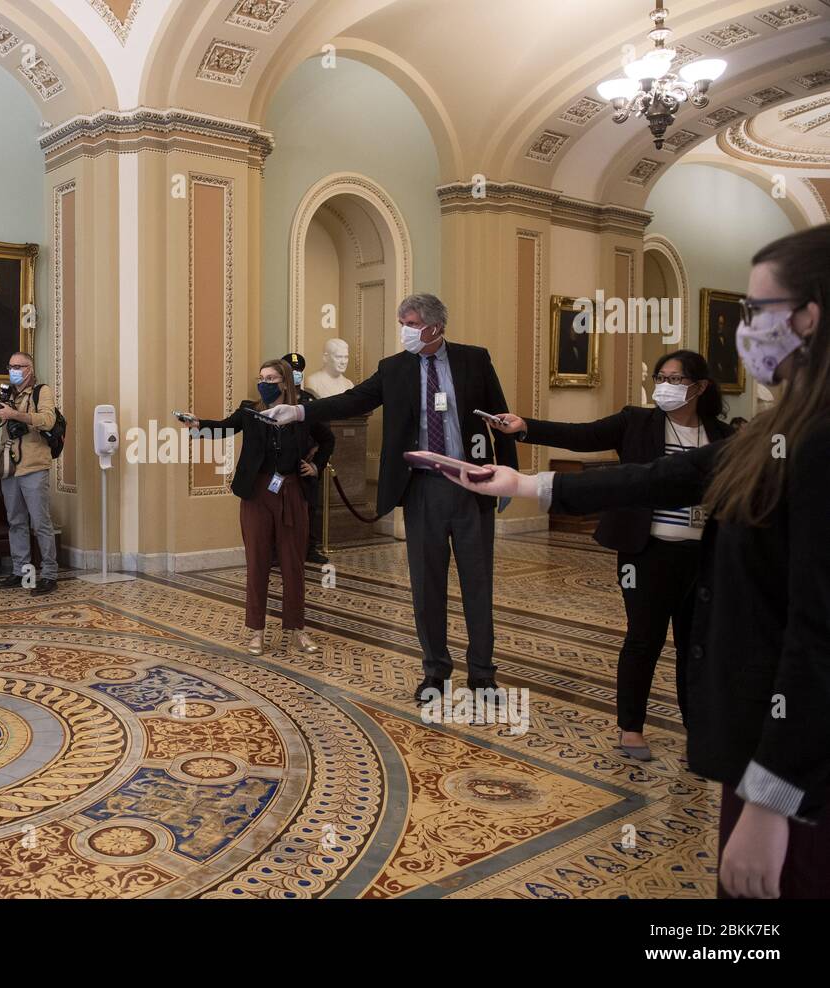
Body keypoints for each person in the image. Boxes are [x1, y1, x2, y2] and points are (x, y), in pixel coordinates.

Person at [442, 225, 830, 898]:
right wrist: (527, 484)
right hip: (770, 759)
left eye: (754, 311)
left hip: (801, 777)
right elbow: (659, 478)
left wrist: (771, 802)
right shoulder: (783, 429)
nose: (743, 329)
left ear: (807, 317)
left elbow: (819, 641)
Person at [264, 293, 518, 701]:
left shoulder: (474, 360)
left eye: (411, 322)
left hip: (472, 485)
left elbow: (500, 417)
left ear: (435, 327)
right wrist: (300, 412)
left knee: (478, 583)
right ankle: (435, 670)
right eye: (402, 321)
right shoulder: (394, 368)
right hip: (421, 488)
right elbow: (353, 399)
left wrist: (508, 472)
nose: (405, 329)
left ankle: (483, 674)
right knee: (426, 585)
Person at [490, 349, 732, 761]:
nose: (665, 387)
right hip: (646, 552)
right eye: (661, 378)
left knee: (697, 645)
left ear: (700, 387)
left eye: (675, 380)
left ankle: (699, 731)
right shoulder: (636, 422)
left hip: (703, 556)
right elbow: (582, 435)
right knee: (644, 638)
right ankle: (632, 729)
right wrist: (525, 426)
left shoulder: (722, 435)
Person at [181, 360, 322, 656]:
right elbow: (223, 428)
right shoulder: (250, 411)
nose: (264, 382)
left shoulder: (302, 412)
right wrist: (198, 425)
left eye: (270, 378)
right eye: (260, 377)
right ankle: (256, 631)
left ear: (284, 382)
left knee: (293, 565)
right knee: (257, 563)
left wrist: (315, 466)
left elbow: (328, 440)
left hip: (291, 491)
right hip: (256, 493)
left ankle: (297, 629)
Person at [0, 351, 58, 595]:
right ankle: (22, 572)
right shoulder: (4, 394)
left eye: (19, 366)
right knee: (15, 521)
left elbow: (48, 420)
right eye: (10, 366)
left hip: (34, 465)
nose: (14, 370)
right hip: (9, 467)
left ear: (29, 369)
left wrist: (14, 414)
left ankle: (49, 575)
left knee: (40, 522)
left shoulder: (40, 391)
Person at [283, 351, 334, 564]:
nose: (296, 375)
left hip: (304, 466)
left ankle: (308, 548)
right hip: (281, 470)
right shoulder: (272, 402)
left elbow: (327, 437)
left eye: (299, 371)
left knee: (309, 509)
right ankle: (278, 552)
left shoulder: (309, 402)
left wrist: (316, 464)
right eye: (291, 371)